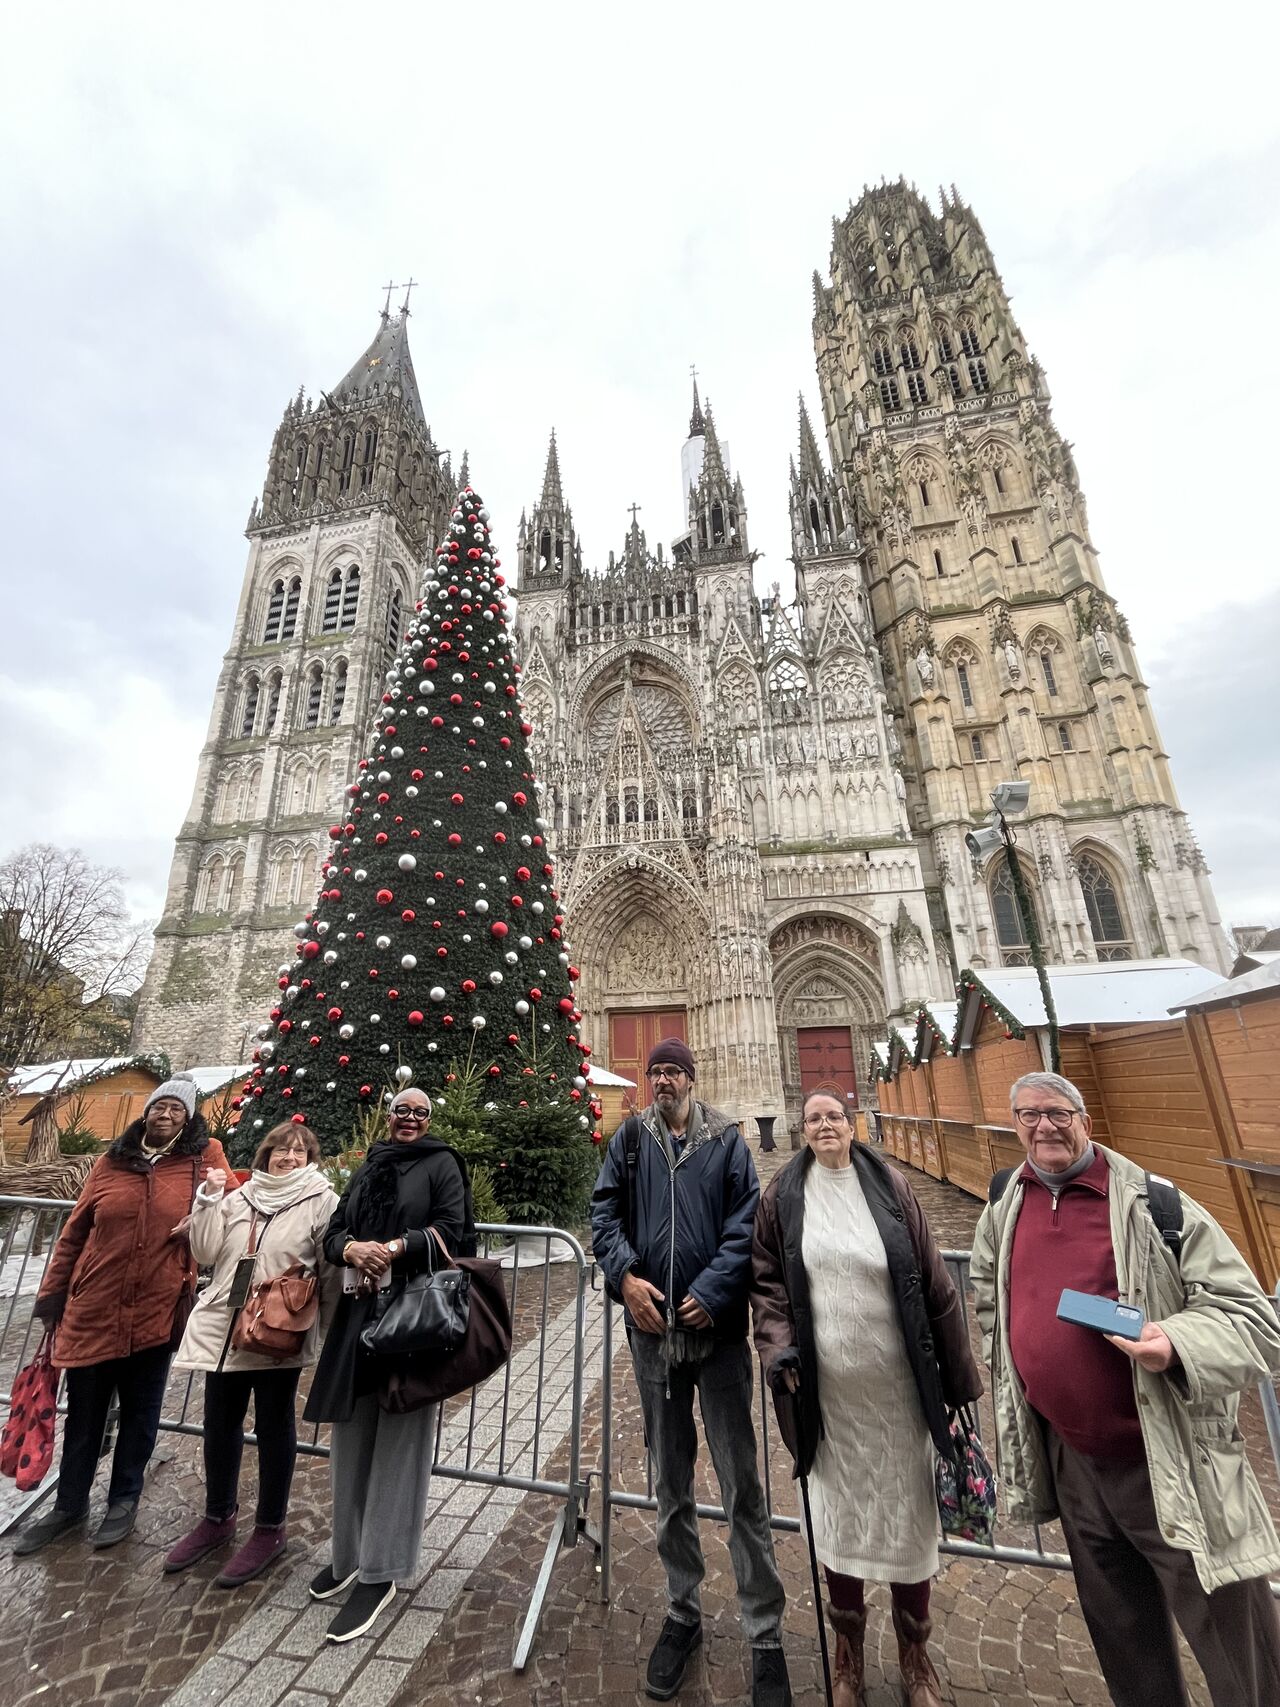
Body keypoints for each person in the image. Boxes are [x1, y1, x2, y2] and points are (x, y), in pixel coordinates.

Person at [970, 1070, 1280, 1707]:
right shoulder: (1006, 1207)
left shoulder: (1154, 1204)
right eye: (1028, 1115)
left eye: (1058, 1113)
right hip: (1073, 1460)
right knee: (1124, 1640)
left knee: (1236, 1645)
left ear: (1085, 1119)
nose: (1044, 1126)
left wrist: (1176, 1343)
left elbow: (1254, 1320)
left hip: (1165, 1457)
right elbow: (986, 1299)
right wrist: (1019, 1367)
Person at [752, 1090, 983, 1707]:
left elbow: (936, 1282)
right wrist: (777, 1351)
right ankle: (847, 1660)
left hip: (899, 1394)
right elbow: (767, 1281)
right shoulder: (782, 1195)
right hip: (829, 1401)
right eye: (815, 1120)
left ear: (852, 1125)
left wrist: (959, 1383)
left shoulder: (891, 1187)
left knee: (910, 1521)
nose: (826, 1127)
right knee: (838, 1523)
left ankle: (916, 1658)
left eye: (834, 1117)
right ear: (802, 1131)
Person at [591, 1038, 792, 1707]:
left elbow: (748, 1224)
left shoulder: (728, 1142)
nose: (663, 1080)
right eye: (655, 1072)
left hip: (718, 1335)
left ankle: (764, 1631)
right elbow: (604, 1213)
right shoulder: (628, 1139)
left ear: (693, 1078)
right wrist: (625, 1277)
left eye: (673, 1070)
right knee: (669, 1482)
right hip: (653, 1338)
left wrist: (711, 1291)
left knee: (741, 1482)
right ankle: (683, 1613)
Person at [14, 1074, 232, 1555]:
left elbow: (234, 1207)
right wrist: (52, 1299)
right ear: (146, 1112)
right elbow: (74, 1231)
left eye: (177, 1109)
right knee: (86, 1412)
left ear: (188, 1116)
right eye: (160, 1106)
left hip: (156, 1305)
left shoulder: (203, 1156)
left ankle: (123, 1499)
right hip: (94, 1304)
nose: (167, 1114)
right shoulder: (111, 1162)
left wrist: (201, 1218)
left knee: (140, 1410)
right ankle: (68, 1505)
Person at [301, 1087, 470, 1643]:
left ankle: (382, 1570)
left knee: (400, 1436)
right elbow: (335, 1232)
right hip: (356, 1315)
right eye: (402, 1111)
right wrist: (351, 1249)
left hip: (409, 1319)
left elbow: (454, 1232)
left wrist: (394, 1248)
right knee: (351, 1432)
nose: (410, 1120)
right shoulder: (372, 1164)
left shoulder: (441, 1164)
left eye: (420, 1113)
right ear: (389, 1115)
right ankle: (347, 1554)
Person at [164, 1120, 339, 1585]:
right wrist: (205, 1200)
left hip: (278, 1330)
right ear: (265, 1155)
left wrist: (320, 1331)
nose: (289, 1157)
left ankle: (269, 1528)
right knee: (218, 1423)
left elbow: (329, 1275)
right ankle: (218, 1518)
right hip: (225, 1325)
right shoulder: (238, 1197)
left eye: (300, 1151)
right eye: (281, 1149)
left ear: (310, 1159)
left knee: (274, 1424)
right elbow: (203, 1251)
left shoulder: (322, 1201)